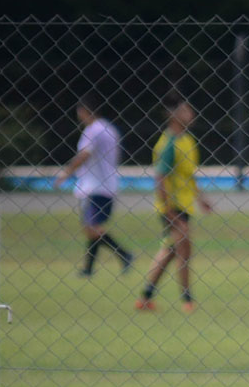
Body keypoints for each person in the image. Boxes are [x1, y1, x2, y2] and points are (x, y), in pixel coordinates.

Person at [136, 99, 212, 314]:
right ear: (173, 115)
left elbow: (188, 175)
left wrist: (200, 198)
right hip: (173, 207)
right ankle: (187, 300)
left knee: (170, 250)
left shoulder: (187, 140)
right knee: (183, 251)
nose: (191, 114)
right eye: (186, 110)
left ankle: (145, 297)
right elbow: (160, 178)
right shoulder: (168, 143)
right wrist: (170, 212)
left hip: (184, 206)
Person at [53, 96, 133, 277]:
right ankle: (89, 268)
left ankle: (124, 253)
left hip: (95, 186)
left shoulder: (92, 130)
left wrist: (66, 173)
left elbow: (84, 155)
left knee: (92, 227)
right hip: (108, 184)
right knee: (94, 227)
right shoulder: (110, 128)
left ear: (84, 111)